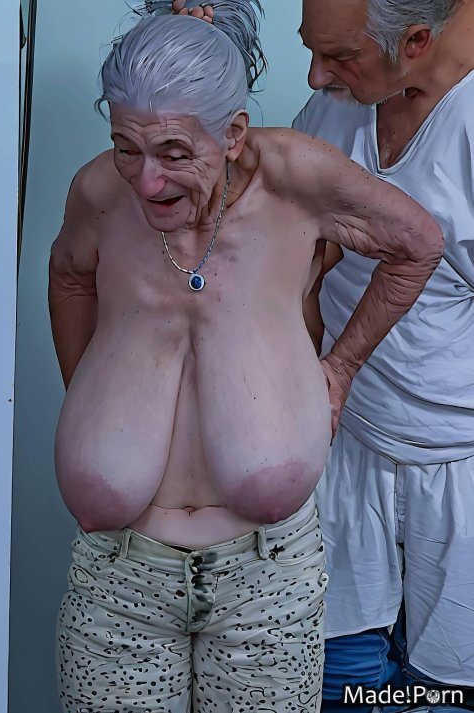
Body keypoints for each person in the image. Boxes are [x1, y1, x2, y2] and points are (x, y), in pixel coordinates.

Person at [48, 1, 442, 710]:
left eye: (174, 153)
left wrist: (340, 368)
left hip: (265, 579)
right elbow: (70, 275)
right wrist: (91, 400)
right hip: (117, 578)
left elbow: (416, 243)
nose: (146, 181)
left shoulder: (294, 177)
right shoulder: (99, 190)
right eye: (126, 147)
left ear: (232, 134)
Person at [293, 0, 474, 710]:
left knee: (442, 693)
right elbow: (301, 264)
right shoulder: (337, 108)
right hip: (343, 447)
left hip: (457, 470)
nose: (316, 76)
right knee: (338, 682)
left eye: (339, 56)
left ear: (416, 40)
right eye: (311, 49)